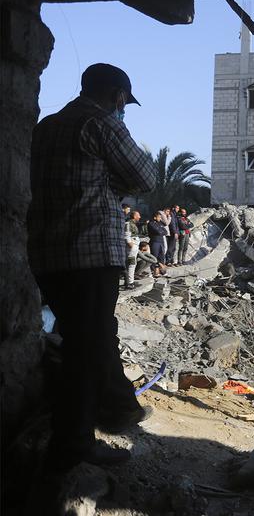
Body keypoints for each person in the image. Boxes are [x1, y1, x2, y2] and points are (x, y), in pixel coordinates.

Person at [27, 63, 156, 470]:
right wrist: (116, 183)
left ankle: (116, 405)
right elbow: (147, 176)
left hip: (47, 255)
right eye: (124, 103)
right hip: (90, 253)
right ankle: (75, 443)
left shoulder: (47, 126)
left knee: (91, 335)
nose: (124, 110)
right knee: (87, 346)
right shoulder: (101, 124)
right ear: (118, 96)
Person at [123, 210, 141, 289]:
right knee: (131, 264)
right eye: (138, 215)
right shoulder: (128, 224)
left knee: (132, 264)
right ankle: (130, 282)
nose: (140, 217)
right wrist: (130, 244)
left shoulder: (133, 224)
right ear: (134, 216)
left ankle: (130, 281)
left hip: (134, 246)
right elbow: (127, 235)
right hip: (131, 247)